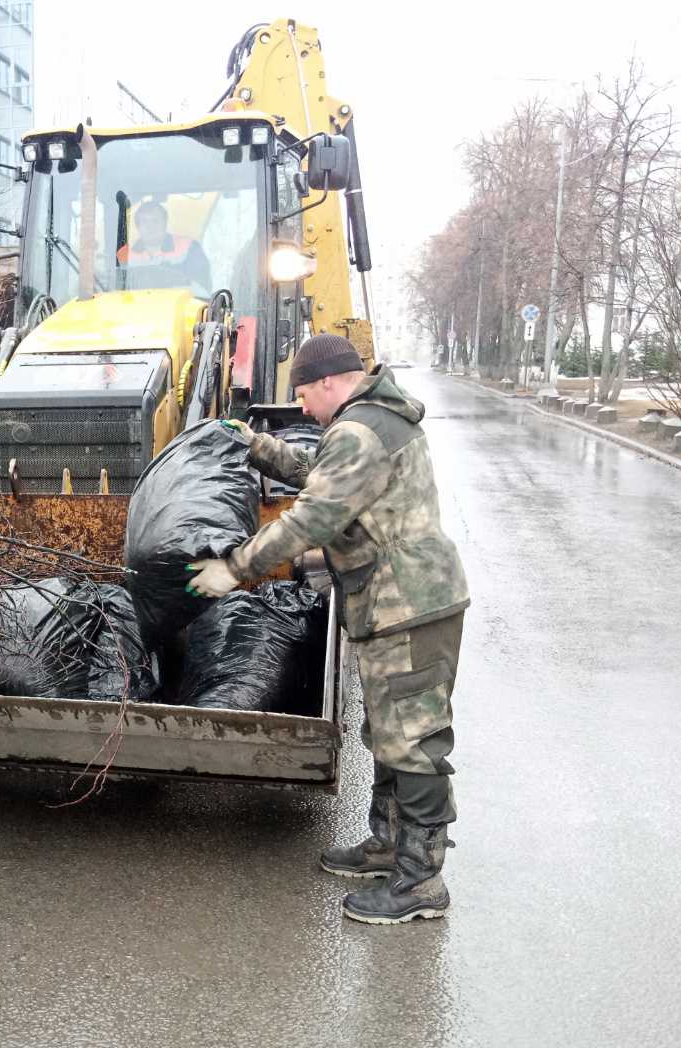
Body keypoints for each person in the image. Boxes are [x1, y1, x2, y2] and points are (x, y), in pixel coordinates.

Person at [188, 334, 469, 924]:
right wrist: (258, 447)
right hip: (399, 600)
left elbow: (313, 516)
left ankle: (421, 883)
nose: (305, 408)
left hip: (407, 604)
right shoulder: (368, 422)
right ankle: (389, 844)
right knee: (389, 731)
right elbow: (324, 476)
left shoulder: (358, 430)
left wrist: (234, 569)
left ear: (326, 383)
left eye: (303, 395)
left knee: (413, 741)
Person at [117, 200, 212, 293]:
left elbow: (202, 290)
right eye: (145, 222)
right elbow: (116, 291)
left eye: (155, 221)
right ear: (138, 226)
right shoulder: (123, 254)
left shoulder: (190, 248)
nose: (150, 227)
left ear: (165, 224)